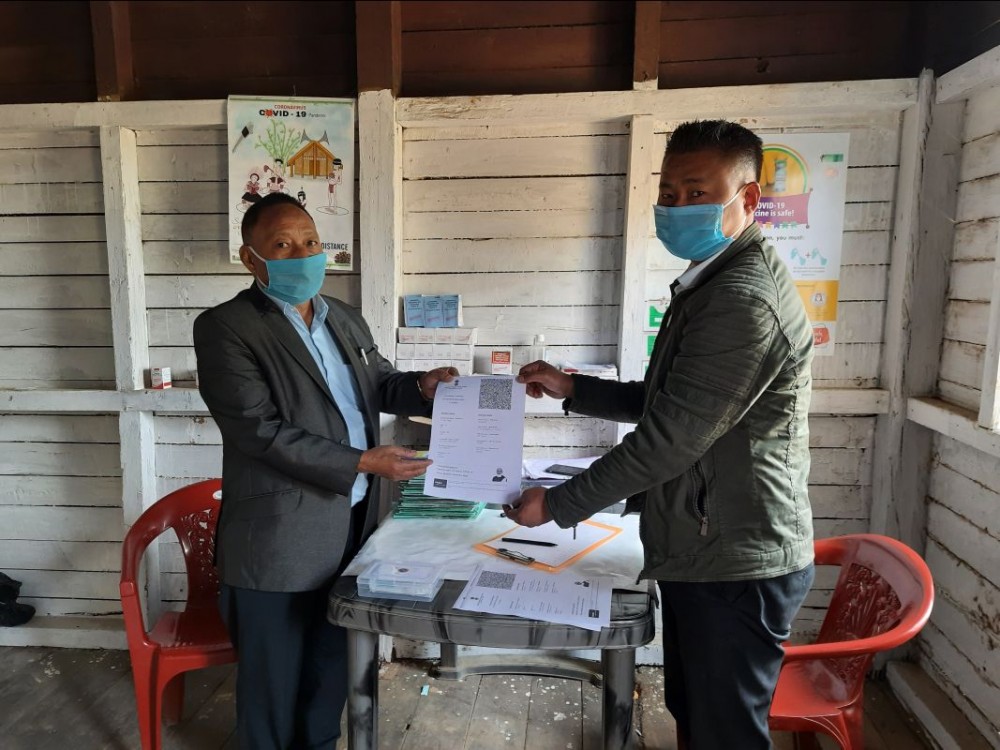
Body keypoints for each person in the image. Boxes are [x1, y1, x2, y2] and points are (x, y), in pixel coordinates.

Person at [506, 120, 815, 749]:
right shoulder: (710, 279)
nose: (676, 208)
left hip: (734, 557)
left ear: (748, 199)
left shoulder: (741, 299)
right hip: (708, 545)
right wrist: (576, 388)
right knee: (698, 715)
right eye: (668, 195)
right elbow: (668, 401)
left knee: (722, 732)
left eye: (696, 193)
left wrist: (559, 504)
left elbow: (671, 437)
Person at [194, 192, 456, 749]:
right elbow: (257, 429)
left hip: (355, 523)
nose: (302, 254)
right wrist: (364, 461)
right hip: (277, 539)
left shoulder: (345, 318)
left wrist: (422, 386)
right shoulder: (227, 327)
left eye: (310, 242)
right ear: (251, 258)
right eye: (281, 245)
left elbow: (380, 382)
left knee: (329, 670)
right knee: (271, 688)